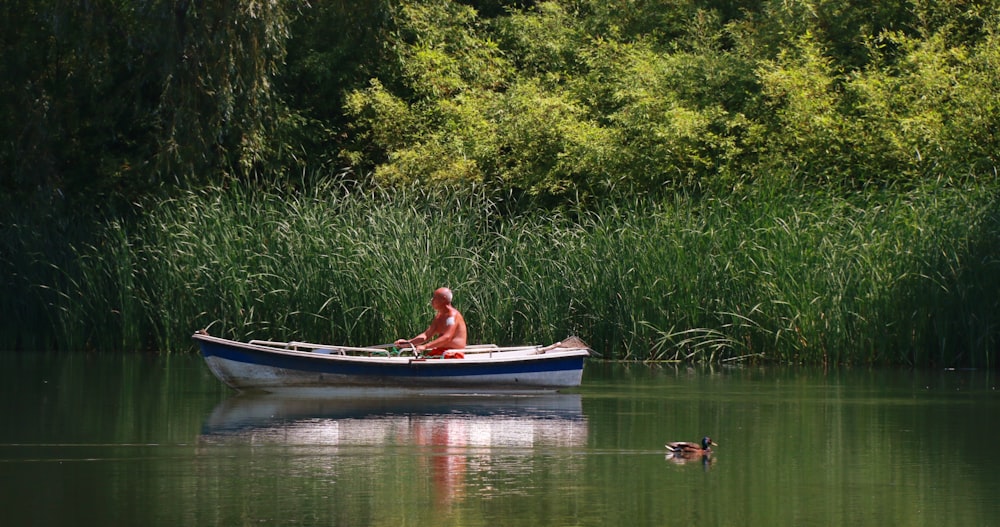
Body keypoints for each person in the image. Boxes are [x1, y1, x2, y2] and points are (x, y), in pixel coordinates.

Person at [395, 287, 467, 357]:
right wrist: (408, 343)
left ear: (443, 299)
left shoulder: (452, 316)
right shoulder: (439, 317)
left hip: (453, 353)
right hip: (441, 352)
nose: (432, 300)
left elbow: (447, 337)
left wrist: (425, 346)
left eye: (435, 297)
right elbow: (426, 335)